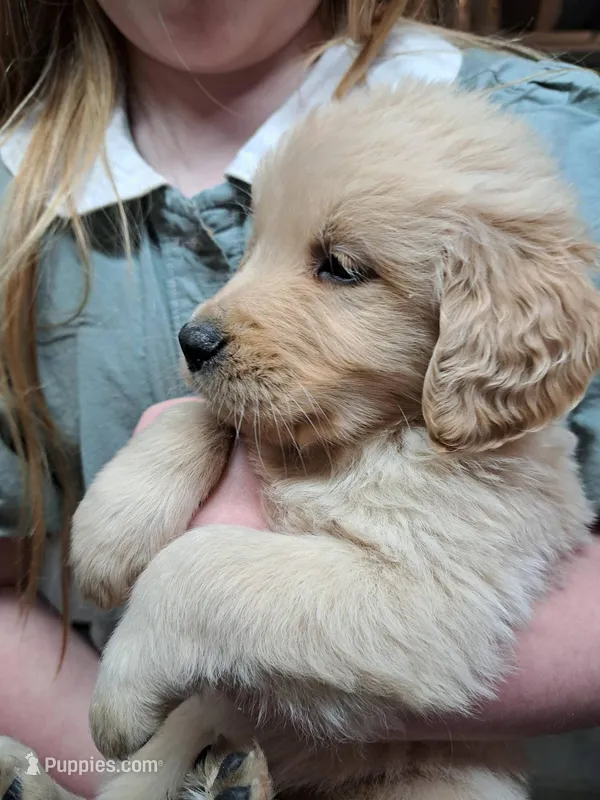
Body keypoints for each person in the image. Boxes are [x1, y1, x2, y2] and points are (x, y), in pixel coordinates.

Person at [0, 0, 599, 796]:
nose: (210, 321)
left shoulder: (557, 138)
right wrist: (186, 442)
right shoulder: (23, 182)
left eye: (339, 268)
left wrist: (197, 593)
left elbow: (436, 626)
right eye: (254, 246)